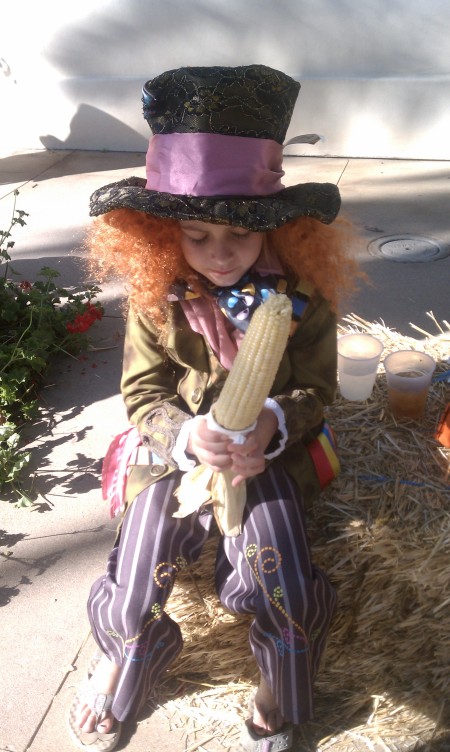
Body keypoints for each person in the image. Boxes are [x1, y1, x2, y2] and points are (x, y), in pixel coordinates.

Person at [68, 64, 357, 752]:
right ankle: (123, 654)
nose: (219, 254)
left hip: (264, 456)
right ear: (163, 236)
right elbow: (143, 394)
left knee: (278, 561)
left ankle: (280, 689)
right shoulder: (158, 303)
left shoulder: (303, 301)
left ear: (278, 230)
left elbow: (315, 392)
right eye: (197, 238)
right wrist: (188, 433)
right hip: (182, 456)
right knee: (142, 557)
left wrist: (272, 422)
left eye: (240, 237)